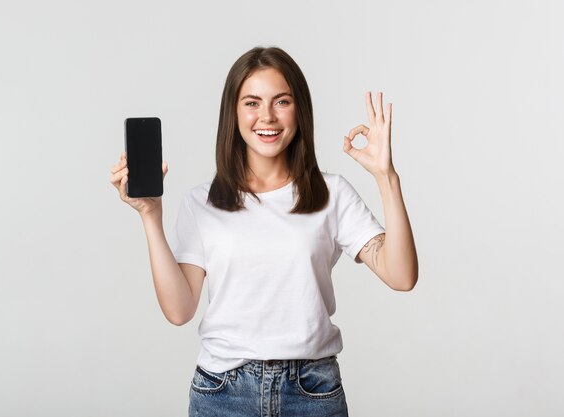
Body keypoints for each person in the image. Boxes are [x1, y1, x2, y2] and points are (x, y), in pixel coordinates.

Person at [109, 46, 418, 417]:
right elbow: (179, 310)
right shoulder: (202, 201)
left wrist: (386, 177)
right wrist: (150, 217)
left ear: (299, 110)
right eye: (252, 103)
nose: (267, 117)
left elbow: (401, 276)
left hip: (312, 391)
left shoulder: (331, 193)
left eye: (281, 101)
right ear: (233, 113)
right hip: (223, 393)